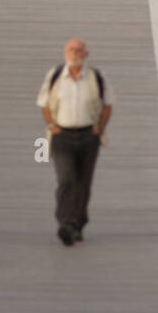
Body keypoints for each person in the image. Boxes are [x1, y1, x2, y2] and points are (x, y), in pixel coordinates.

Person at [37, 39, 113, 246]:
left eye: (79, 50)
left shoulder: (96, 77)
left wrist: (100, 127)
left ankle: (79, 223)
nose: (75, 53)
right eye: (71, 49)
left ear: (86, 54)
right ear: (65, 53)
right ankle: (65, 223)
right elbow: (43, 103)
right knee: (66, 179)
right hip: (62, 135)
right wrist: (51, 124)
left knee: (83, 182)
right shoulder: (55, 76)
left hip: (89, 135)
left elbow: (108, 105)